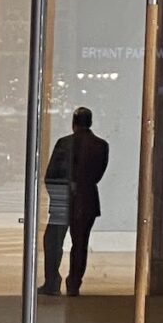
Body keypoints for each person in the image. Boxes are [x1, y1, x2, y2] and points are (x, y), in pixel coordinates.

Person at [39, 107, 109, 297]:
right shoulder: (101, 145)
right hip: (87, 201)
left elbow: (51, 175)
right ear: (91, 122)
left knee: (53, 241)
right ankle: (74, 284)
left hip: (64, 200)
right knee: (80, 244)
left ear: (74, 123)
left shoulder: (64, 143)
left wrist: (58, 196)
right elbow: (98, 174)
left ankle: (52, 282)